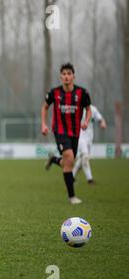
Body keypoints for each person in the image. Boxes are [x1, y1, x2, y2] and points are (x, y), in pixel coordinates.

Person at [42, 62, 92, 204]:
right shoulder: (54, 93)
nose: (66, 77)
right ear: (60, 76)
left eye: (69, 74)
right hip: (60, 131)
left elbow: (88, 109)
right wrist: (44, 124)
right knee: (70, 158)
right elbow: (45, 107)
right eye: (64, 74)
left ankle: (54, 159)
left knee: (68, 162)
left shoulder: (82, 93)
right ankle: (72, 197)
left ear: (73, 76)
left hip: (75, 132)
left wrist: (86, 121)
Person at [72, 105, 106, 184]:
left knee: (82, 159)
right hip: (79, 136)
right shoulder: (76, 107)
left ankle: (71, 176)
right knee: (85, 156)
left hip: (89, 138)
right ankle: (90, 179)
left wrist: (103, 123)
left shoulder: (93, 109)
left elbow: (100, 118)